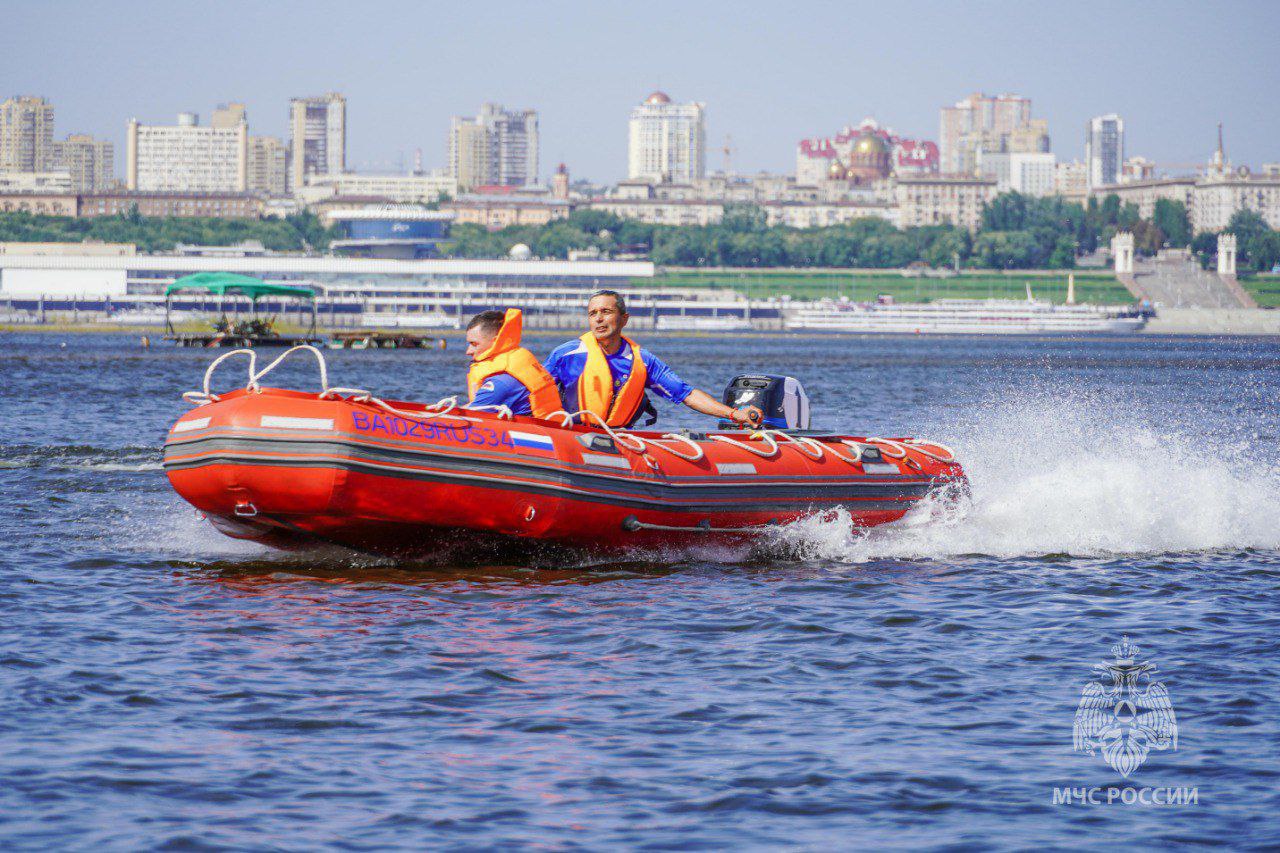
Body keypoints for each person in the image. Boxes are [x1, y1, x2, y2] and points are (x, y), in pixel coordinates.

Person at [544, 290, 762, 428]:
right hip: (570, 436)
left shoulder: (643, 361)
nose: (599, 319)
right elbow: (533, 392)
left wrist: (734, 414)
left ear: (624, 319)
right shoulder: (566, 354)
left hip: (617, 441)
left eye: (606, 311)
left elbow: (685, 394)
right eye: (593, 313)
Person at [465, 308, 560, 418]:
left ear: (495, 341)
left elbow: (471, 416)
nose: (468, 351)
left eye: (474, 344)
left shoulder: (501, 382)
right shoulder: (517, 361)